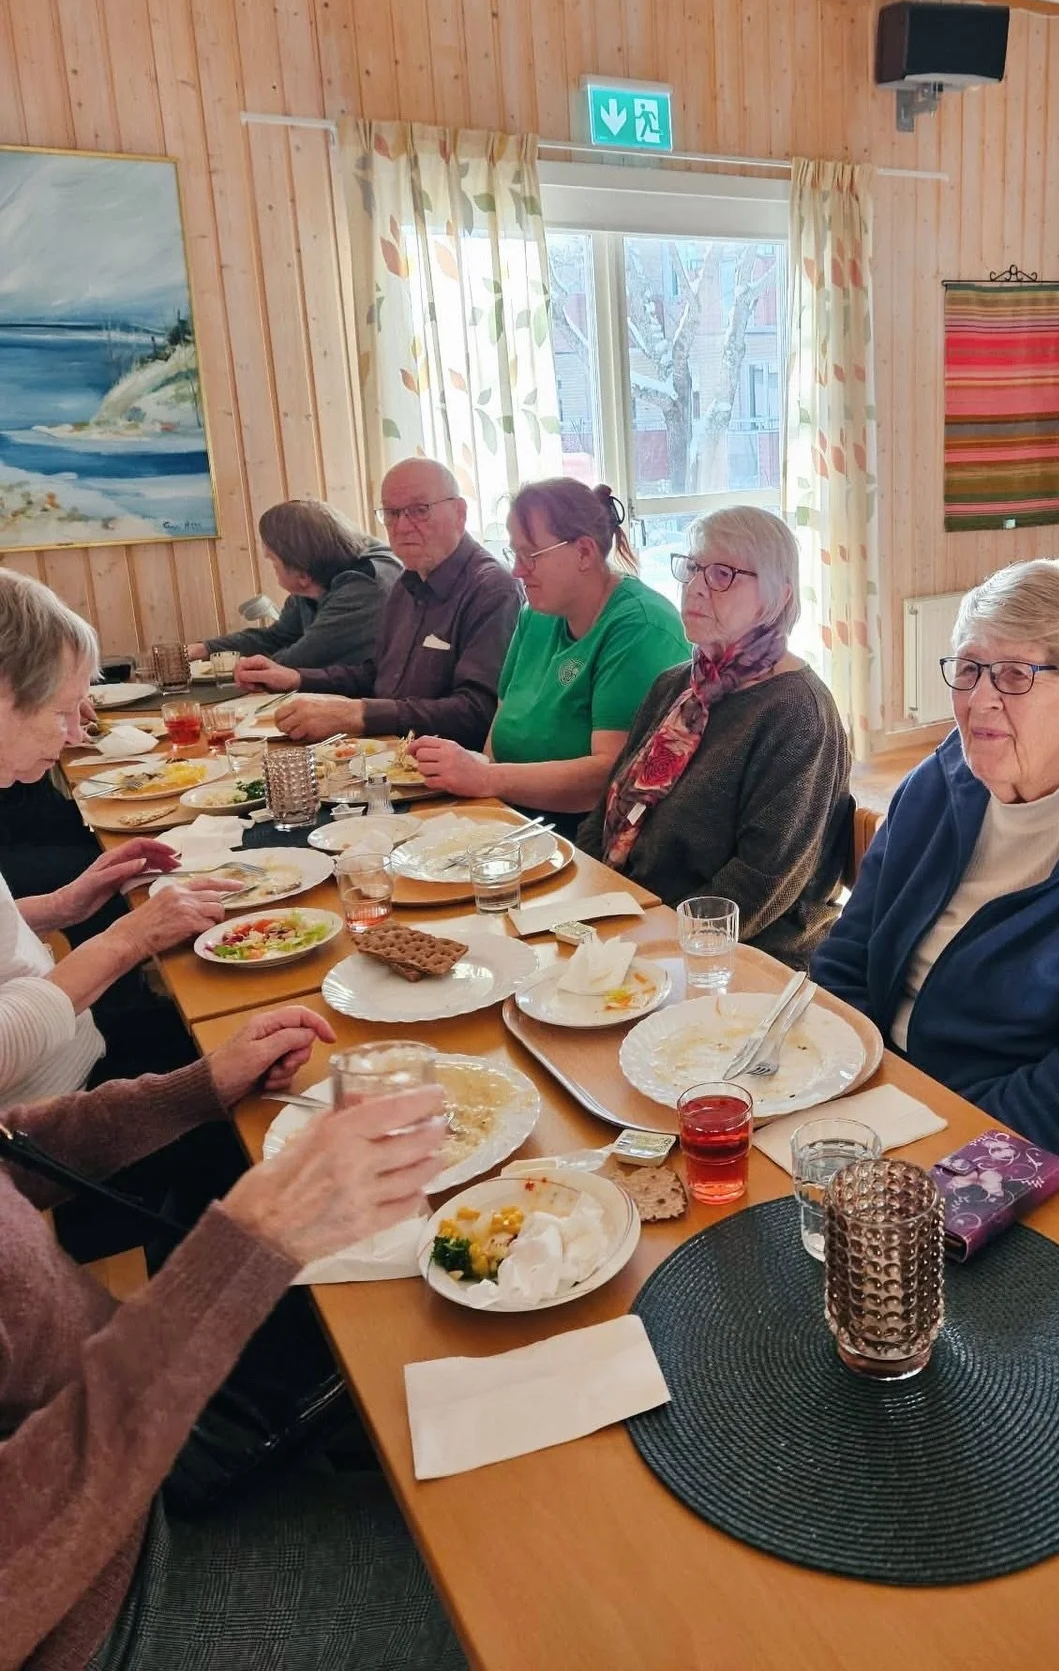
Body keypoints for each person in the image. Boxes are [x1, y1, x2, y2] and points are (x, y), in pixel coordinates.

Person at [0, 1003, 466, 1669]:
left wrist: (195, 1090)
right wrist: (242, 1251)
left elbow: (12, 1150)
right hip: (101, 1600)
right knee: (488, 1567)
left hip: (147, 1427)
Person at [810, 560, 1059, 1185]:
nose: (978, 700)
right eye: (970, 669)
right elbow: (847, 958)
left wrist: (924, 1149)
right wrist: (847, 1092)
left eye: (1014, 676)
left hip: (1024, 1170)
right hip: (884, 1114)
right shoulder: (940, 783)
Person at [576, 508, 851, 967]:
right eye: (692, 567)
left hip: (737, 958)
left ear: (776, 598)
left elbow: (762, 885)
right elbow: (606, 808)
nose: (697, 587)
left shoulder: (798, 712)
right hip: (633, 924)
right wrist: (586, 898)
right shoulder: (676, 685)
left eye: (723, 574)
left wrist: (650, 946)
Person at [0, 571, 227, 1103]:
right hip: (50, 1129)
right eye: (61, 712)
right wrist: (129, 940)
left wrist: (57, 907)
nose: (76, 734)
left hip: (79, 1059)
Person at [411, 479, 690, 839]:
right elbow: (500, 729)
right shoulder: (536, 613)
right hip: (518, 827)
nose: (516, 571)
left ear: (585, 553)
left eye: (531, 555)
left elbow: (609, 777)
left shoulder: (641, 626)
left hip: (590, 842)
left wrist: (484, 779)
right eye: (514, 553)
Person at [238, 460, 520, 748]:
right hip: (386, 754)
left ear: (459, 513)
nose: (402, 526)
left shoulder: (492, 589)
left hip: (447, 771)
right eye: (391, 513)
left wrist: (361, 714)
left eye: (420, 510)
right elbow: (380, 673)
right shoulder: (406, 582)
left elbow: (478, 712)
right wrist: (297, 678)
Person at [190, 498, 400, 672]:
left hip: (378, 709)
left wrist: (233, 670)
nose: (272, 568)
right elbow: (277, 638)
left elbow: (301, 658)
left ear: (302, 572)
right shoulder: (314, 582)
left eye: (272, 560)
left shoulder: (363, 586)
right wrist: (205, 649)